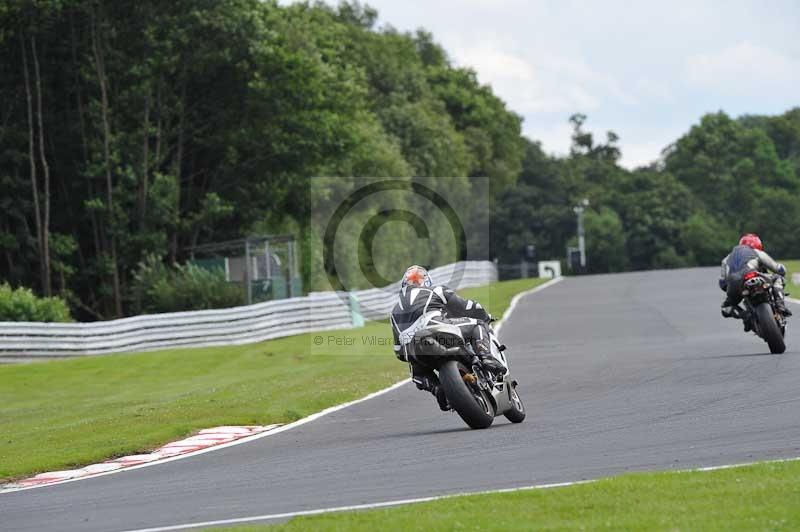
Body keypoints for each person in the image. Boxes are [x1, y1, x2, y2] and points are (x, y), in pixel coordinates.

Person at [390, 265, 507, 410]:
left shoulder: (394, 311)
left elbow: (398, 351)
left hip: (412, 349)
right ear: (427, 281)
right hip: (437, 329)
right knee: (477, 324)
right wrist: (485, 316)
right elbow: (468, 307)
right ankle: (486, 357)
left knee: (417, 373)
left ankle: (437, 389)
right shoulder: (436, 290)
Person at [719, 233, 792, 326]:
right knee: (778, 279)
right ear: (758, 245)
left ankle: (746, 317)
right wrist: (781, 271)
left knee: (726, 308)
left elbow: (722, 283)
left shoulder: (726, 259)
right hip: (753, 275)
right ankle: (780, 306)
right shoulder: (756, 252)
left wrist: (732, 292)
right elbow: (778, 269)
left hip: (735, 283)